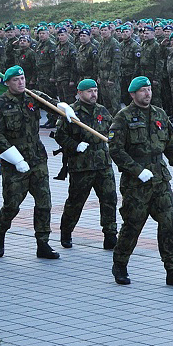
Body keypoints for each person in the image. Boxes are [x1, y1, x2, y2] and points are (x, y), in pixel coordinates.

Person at [108, 76, 173, 287]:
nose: (147, 93)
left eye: (149, 89)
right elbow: (116, 149)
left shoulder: (160, 114)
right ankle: (120, 264)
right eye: (143, 90)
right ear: (133, 94)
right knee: (132, 226)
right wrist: (136, 170)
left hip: (160, 180)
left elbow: (171, 144)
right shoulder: (123, 118)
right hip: (136, 184)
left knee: (170, 225)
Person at [0, 65, 71, 260]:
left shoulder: (33, 96)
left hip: (37, 158)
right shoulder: (0, 104)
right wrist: (16, 159)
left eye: (22, 78)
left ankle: (43, 242)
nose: (20, 82)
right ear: (7, 83)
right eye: (16, 80)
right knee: (12, 204)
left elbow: (53, 105)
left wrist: (65, 108)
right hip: (14, 162)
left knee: (44, 202)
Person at [54, 79, 117, 250]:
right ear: (79, 93)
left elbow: (113, 130)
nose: (93, 94)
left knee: (109, 199)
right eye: (89, 91)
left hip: (103, 164)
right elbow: (59, 135)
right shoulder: (71, 112)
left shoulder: (102, 110)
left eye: (95, 90)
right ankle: (66, 232)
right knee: (76, 202)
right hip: (82, 165)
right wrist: (75, 145)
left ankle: (110, 235)